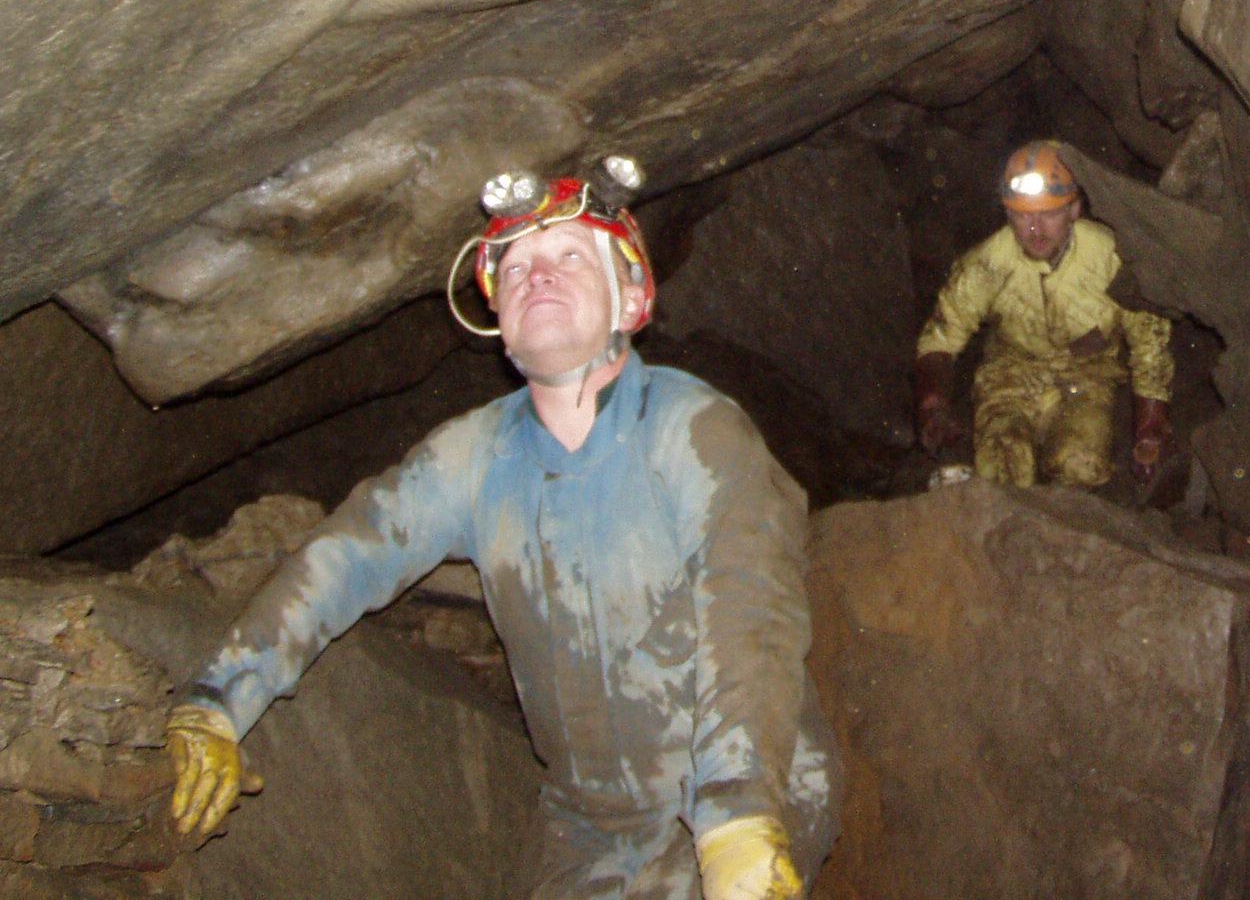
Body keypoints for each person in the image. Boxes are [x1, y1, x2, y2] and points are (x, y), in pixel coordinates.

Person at [164, 157, 838, 900]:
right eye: (514, 266)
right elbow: (344, 558)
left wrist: (737, 815)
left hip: (741, 787)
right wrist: (216, 700)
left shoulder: (694, 429)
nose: (536, 275)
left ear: (631, 300)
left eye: (569, 256)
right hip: (586, 824)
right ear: (497, 320)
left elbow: (751, 607)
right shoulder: (477, 455)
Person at [913, 141, 1174, 489]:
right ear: (1008, 215)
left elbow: (1148, 339)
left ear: (1074, 210)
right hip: (1009, 378)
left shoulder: (1112, 258)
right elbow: (940, 338)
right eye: (1022, 215)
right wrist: (933, 406)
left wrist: (1149, 430)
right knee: (1001, 468)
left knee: (1081, 468)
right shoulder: (987, 263)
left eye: (1049, 213)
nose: (1035, 228)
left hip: (1087, 379)